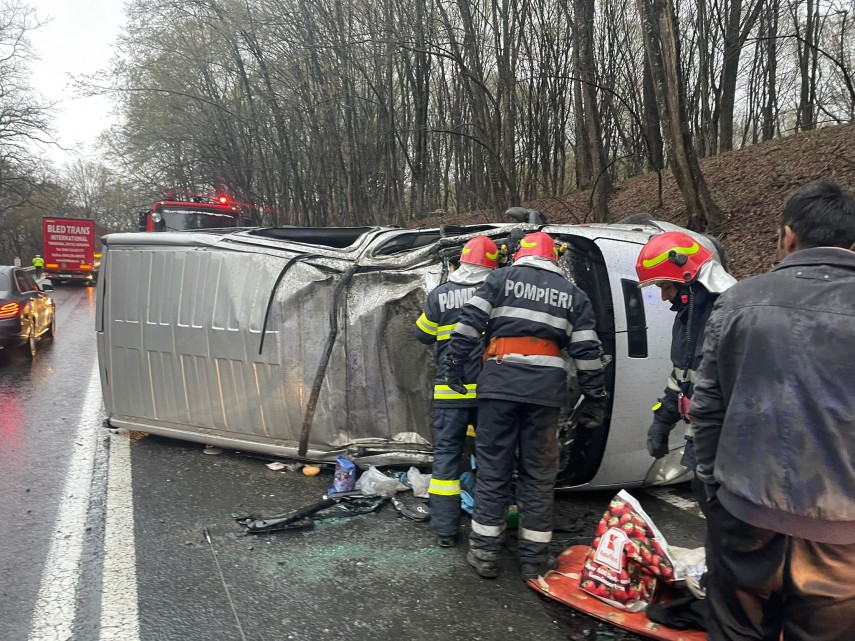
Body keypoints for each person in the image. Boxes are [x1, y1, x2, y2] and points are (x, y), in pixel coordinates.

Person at [690, 180, 855, 641]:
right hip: (843, 537)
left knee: (735, 631)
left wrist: (712, 491)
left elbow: (707, 409)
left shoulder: (739, 301)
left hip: (745, 514)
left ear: (788, 235)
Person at [444, 231, 607, 581]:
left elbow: (468, 326)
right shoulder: (573, 295)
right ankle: (534, 559)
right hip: (545, 395)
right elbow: (586, 352)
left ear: (520, 255)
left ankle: (485, 553)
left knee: (493, 471)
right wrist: (594, 397)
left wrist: (453, 367)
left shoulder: (499, 279)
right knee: (538, 475)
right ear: (555, 258)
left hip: (500, 386)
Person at [415, 235, 499, 548]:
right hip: (488, 394)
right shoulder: (496, 293)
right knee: (490, 459)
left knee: (447, 460)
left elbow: (422, 334)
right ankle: (487, 528)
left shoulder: (440, 295)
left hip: (450, 394)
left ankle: (445, 530)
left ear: (460, 262)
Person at [635, 231, 736, 471]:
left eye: (666, 287)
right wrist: (662, 418)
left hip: (724, 447)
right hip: (703, 441)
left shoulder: (730, 314)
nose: (663, 296)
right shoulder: (688, 317)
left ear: (687, 278)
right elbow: (682, 375)